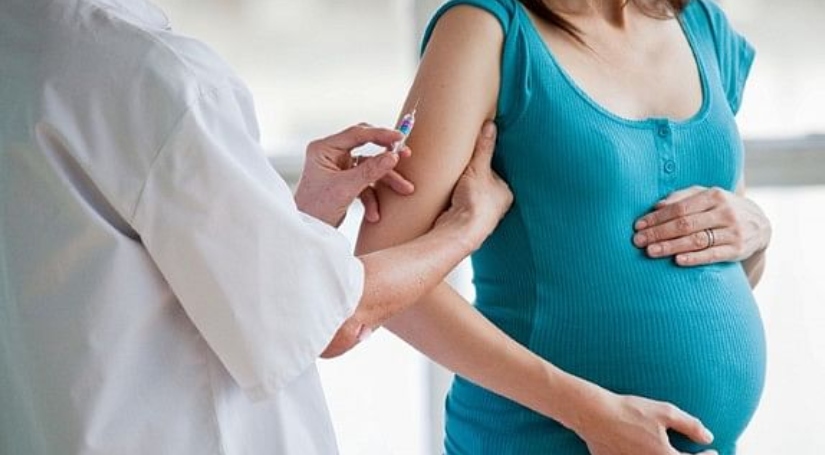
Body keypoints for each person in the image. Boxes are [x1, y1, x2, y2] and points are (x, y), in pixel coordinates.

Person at [0, 0, 513, 454]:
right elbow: (332, 321)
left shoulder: (25, 48)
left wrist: (302, 215)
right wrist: (465, 227)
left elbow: (113, 267)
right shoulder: (154, 77)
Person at [353, 0, 772, 454]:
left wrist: (756, 236)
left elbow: (726, 268)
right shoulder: (485, 29)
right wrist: (588, 413)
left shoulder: (702, 24)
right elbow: (377, 279)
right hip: (536, 438)